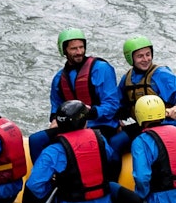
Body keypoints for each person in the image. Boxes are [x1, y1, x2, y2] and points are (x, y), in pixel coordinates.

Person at [22, 101, 138, 203]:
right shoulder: (100, 139)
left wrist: (55, 186)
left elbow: (35, 185)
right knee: (113, 186)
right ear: (84, 121)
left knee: (30, 187)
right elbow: (108, 158)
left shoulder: (53, 151)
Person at [28, 28, 122, 161]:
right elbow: (56, 107)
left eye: (81, 47)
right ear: (64, 50)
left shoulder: (102, 69)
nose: (79, 52)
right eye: (73, 49)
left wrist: (90, 112)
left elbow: (112, 105)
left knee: (107, 153)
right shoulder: (59, 78)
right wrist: (55, 119)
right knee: (35, 140)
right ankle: (44, 172)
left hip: (101, 124)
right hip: (72, 127)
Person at [115, 35, 176, 148]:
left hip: (167, 124)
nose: (146, 59)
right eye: (140, 56)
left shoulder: (161, 74)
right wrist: (117, 121)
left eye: (148, 54)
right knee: (115, 142)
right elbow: (118, 105)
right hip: (143, 126)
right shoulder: (127, 79)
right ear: (130, 58)